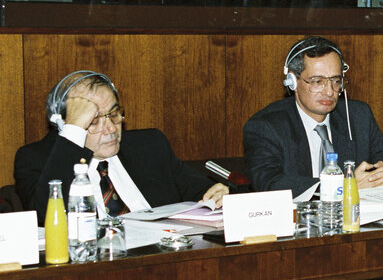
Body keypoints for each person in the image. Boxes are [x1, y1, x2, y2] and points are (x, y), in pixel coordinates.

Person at [14, 70, 228, 226]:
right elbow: (46, 216)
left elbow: (198, 189)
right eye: (93, 121)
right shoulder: (35, 159)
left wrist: (216, 193)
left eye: (114, 114)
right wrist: (73, 131)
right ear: (65, 125)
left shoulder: (149, 145)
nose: (110, 129)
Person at [243, 36, 383, 198]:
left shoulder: (358, 116)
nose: (329, 91)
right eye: (317, 81)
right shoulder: (266, 126)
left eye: (336, 81)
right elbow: (269, 184)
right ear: (292, 81)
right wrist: (343, 187)